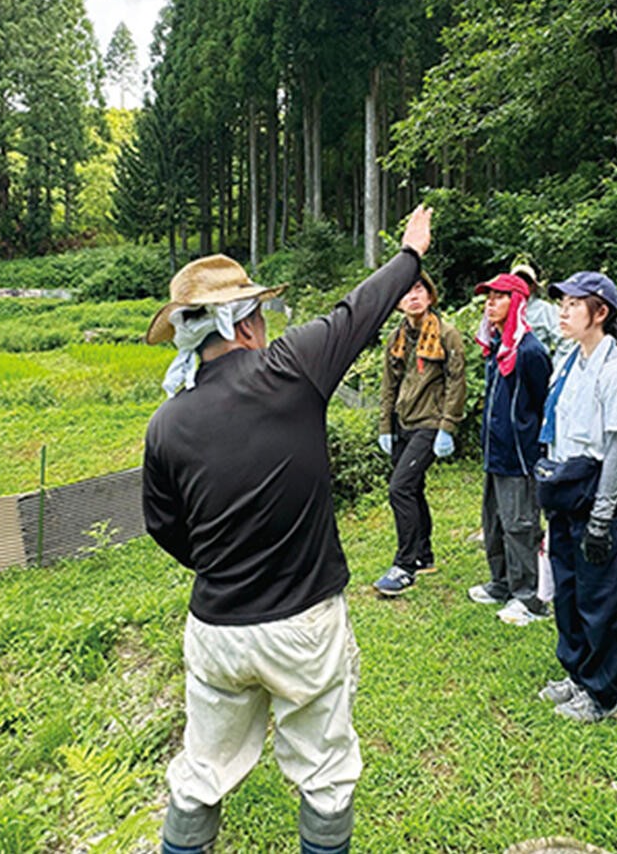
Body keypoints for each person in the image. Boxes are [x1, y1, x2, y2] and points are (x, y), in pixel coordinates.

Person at [141, 207, 434, 854]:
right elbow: (358, 312)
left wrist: (222, 560)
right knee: (325, 776)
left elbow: (163, 527)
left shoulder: (166, 424)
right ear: (244, 324)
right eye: (259, 314)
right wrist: (410, 252)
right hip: (303, 624)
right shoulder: (291, 370)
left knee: (200, 772)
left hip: (216, 629)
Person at [534, 271, 617, 722]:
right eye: (561, 303)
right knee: (570, 591)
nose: (563, 311)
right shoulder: (569, 360)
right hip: (568, 491)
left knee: (602, 598)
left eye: (574, 305)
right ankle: (578, 673)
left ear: (601, 313)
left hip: (604, 499)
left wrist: (601, 517)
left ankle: (604, 694)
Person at [373, 270, 468, 596]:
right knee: (412, 489)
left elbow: (457, 382)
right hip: (404, 423)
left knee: (399, 488)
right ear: (398, 302)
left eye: (418, 289)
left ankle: (405, 564)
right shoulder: (397, 338)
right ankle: (424, 556)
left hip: (431, 423)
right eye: (406, 291)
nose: (413, 296)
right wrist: (385, 426)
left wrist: (447, 426)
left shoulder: (446, 334)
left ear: (429, 295)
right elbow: (389, 385)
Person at [467, 273, 553, 626]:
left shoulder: (530, 351)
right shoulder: (496, 348)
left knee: (521, 524)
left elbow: (542, 402)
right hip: (495, 453)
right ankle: (501, 583)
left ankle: (530, 597)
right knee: (495, 520)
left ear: (516, 302)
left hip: (520, 456)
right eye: (488, 297)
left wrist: (536, 448)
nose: (490, 303)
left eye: (499, 297)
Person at [511, 263, 571, 361]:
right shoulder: (505, 309)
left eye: (526, 281)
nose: (521, 285)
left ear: (533, 286)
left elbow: (564, 340)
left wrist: (554, 368)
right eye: (516, 281)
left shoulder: (545, 309)